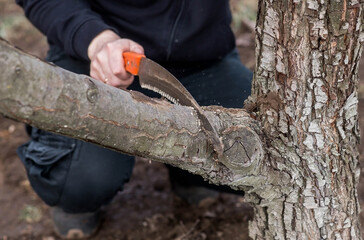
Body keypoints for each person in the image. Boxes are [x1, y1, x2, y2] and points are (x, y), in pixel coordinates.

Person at [15, 0, 253, 239]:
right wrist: (94, 37)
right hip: (96, 57)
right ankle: (77, 198)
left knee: (260, 147)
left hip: (204, 57)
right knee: (81, 180)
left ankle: (188, 171)